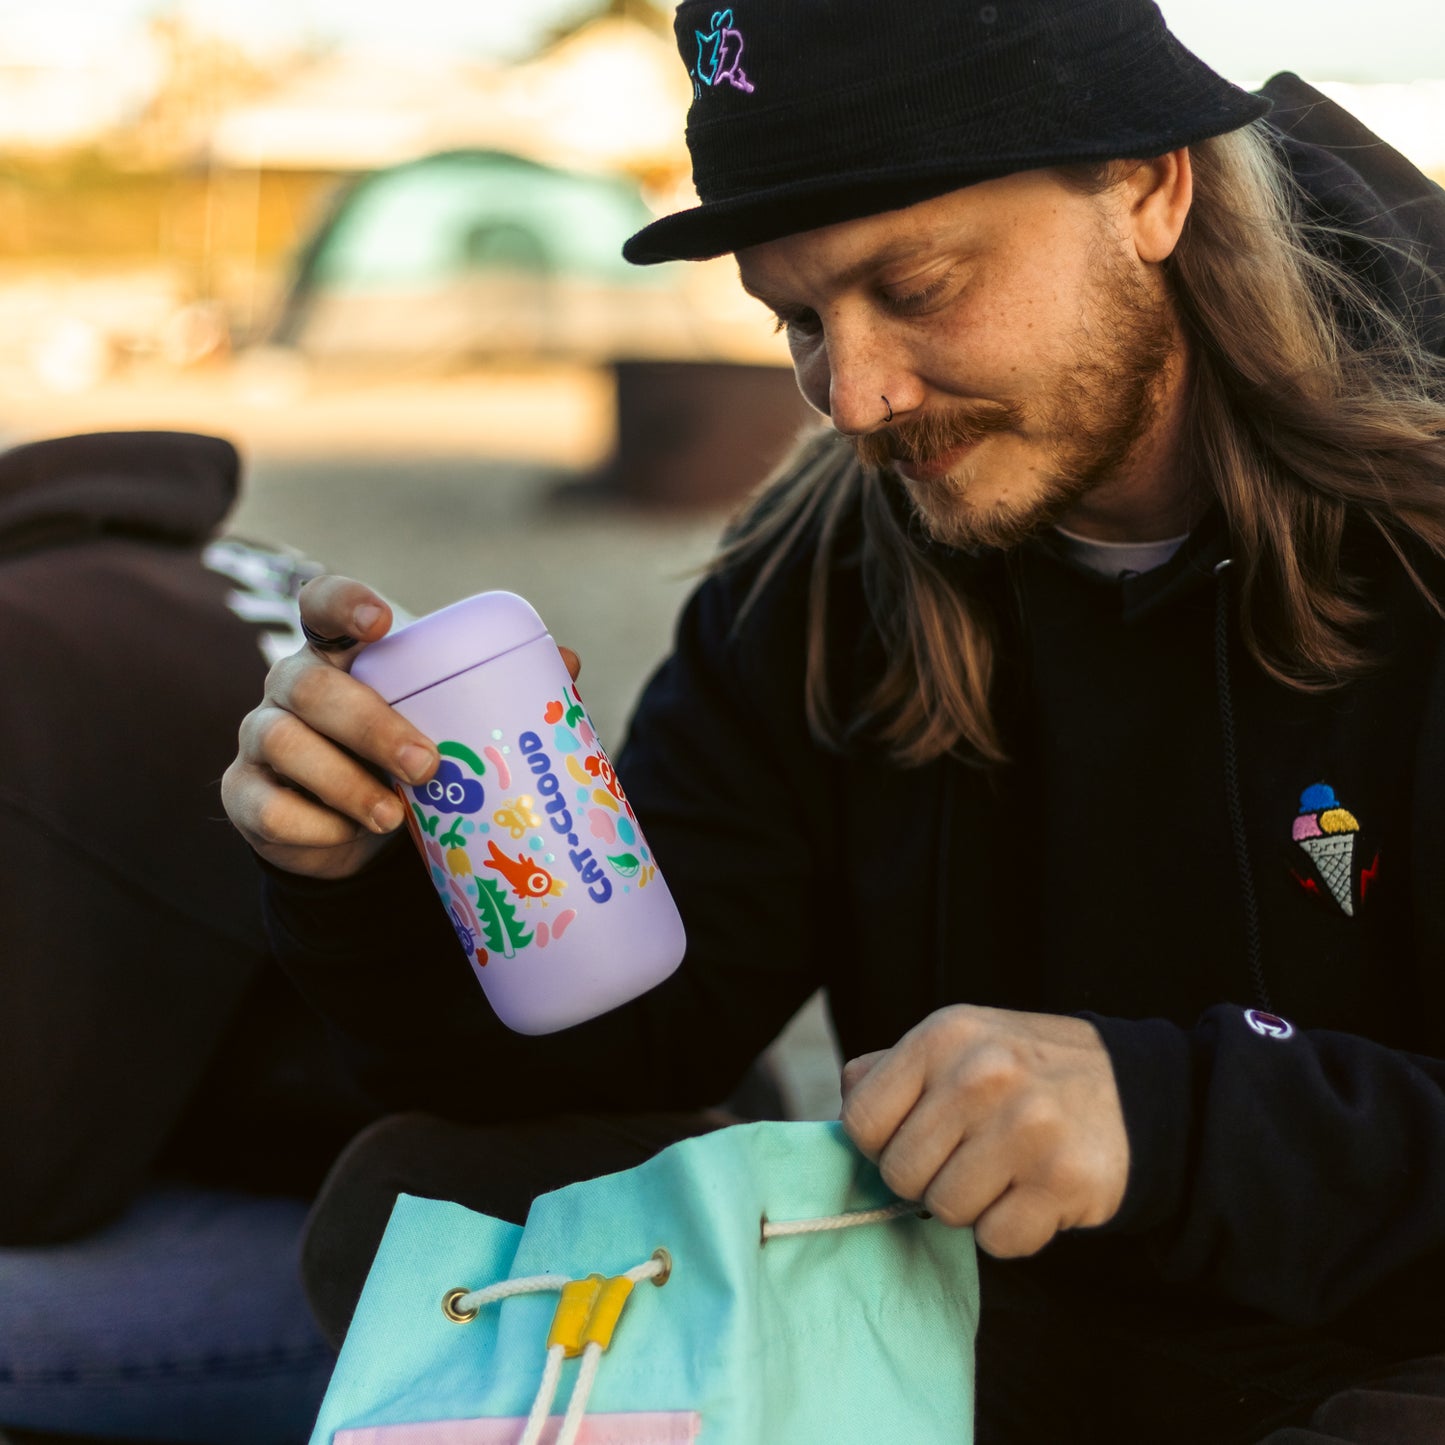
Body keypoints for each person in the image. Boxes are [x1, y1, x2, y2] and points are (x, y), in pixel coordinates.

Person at [223, 3, 1445, 1440]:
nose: (851, 397)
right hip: (973, 1330)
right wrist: (384, 859)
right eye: (797, 318)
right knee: (416, 1202)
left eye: (915, 285)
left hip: (1380, 1334)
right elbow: (622, 1053)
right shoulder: (819, 580)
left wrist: (1175, 1121)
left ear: (1150, 186)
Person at [0, 431, 380, 1444]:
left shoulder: (22, 673)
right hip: (624, 1144)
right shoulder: (146, 576)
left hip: (490, 1277)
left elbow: (35, 1186)